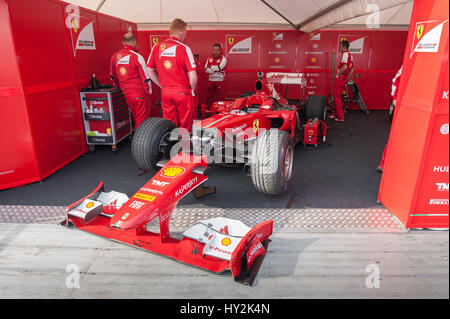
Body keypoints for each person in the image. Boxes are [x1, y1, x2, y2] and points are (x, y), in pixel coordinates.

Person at [146, 18, 197, 132]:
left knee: (169, 124)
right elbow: (192, 74)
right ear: (180, 33)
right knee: (185, 125)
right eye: (185, 33)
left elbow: (149, 70)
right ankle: (184, 148)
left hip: (166, 92)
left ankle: (172, 147)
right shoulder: (184, 48)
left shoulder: (157, 47)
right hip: (183, 92)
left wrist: (161, 85)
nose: (185, 36)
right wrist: (192, 90)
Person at [110, 33, 154, 129]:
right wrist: (149, 93)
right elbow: (146, 78)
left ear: (122, 42)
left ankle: (139, 141)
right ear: (135, 42)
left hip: (127, 94)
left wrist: (119, 87)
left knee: (137, 119)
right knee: (143, 121)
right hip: (140, 94)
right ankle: (140, 143)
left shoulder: (114, 57)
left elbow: (113, 76)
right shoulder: (137, 57)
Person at [377, 66, 402, 172]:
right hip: (407, 105)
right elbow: (396, 80)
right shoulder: (414, 61)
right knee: (397, 134)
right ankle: (384, 163)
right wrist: (395, 99)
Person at [329, 39, 353, 122]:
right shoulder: (350, 55)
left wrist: (338, 74)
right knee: (337, 96)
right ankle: (335, 114)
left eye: (340, 46)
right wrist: (347, 79)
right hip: (344, 78)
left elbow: (345, 67)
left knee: (336, 97)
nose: (339, 48)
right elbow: (352, 69)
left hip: (340, 78)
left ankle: (340, 117)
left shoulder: (346, 54)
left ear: (344, 47)